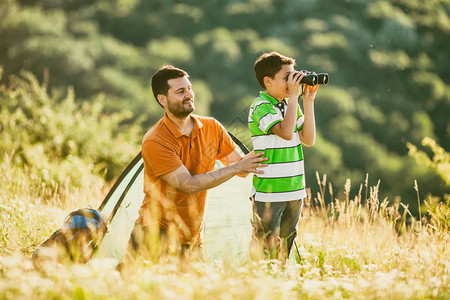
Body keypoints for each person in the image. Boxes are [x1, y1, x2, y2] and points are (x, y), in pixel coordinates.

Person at [127, 65, 268, 263]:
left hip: (192, 238)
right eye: (180, 91)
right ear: (163, 100)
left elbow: (240, 168)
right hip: (156, 231)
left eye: (189, 88)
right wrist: (237, 167)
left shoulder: (211, 127)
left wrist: (270, 143)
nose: (189, 95)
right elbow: (188, 184)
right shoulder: (156, 140)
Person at [248, 51, 319, 261]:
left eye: (294, 76)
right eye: (287, 77)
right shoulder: (260, 106)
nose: (293, 82)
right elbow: (287, 133)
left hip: (294, 188)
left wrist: (308, 101)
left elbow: (308, 139)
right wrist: (295, 96)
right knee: (265, 248)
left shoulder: (290, 105)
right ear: (268, 82)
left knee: (285, 248)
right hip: (269, 192)